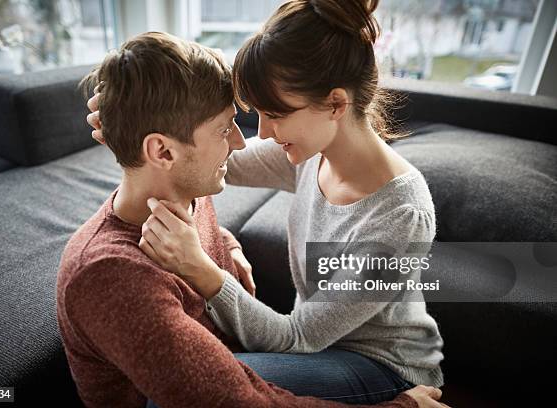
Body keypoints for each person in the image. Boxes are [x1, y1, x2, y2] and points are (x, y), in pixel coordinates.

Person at [61, 31, 447, 408]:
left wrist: (205, 266)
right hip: (318, 340)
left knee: (218, 377)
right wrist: (128, 117)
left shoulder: (399, 213)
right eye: (230, 126)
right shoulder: (308, 152)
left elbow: (297, 338)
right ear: (161, 149)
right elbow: (194, 162)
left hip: (380, 362)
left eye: (274, 113)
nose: (248, 138)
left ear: (335, 105)